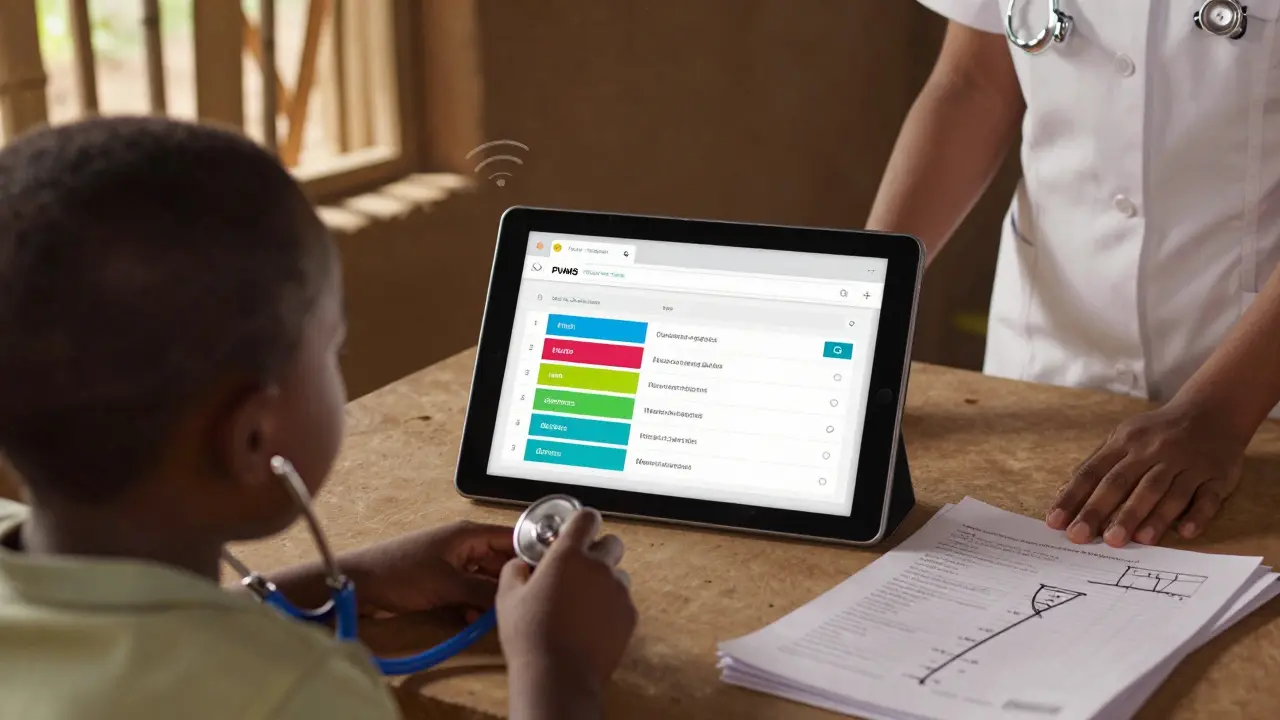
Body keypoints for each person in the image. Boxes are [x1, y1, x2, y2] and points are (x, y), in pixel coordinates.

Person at [0, 116, 637, 720]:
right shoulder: (295, 696)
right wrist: (560, 671)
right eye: (333, 349)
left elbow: (115, 641)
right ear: (253, 438)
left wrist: (351, 581)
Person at [867, 1, 1280, 548]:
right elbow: (972, 83)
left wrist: (1223, 411)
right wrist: (865, 308)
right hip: (1045, 380)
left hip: (1259, 402)